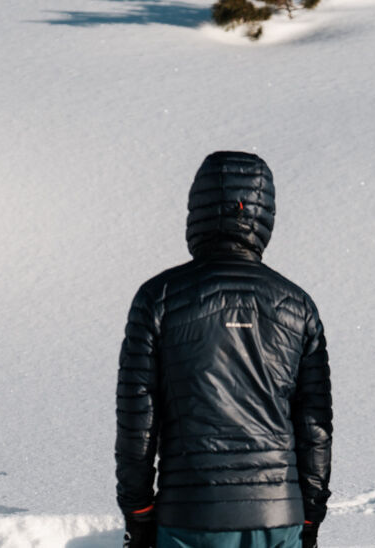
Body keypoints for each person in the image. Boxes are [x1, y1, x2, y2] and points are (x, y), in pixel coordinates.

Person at [116, 151, 331, 548]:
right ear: (265, 214)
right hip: (277, 513)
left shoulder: (159, 297)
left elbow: (137, 417)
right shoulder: (297, 304)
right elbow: (314, 425)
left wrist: (138, 509)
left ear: (197, 209)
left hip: (190, 513)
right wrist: (310, 511)